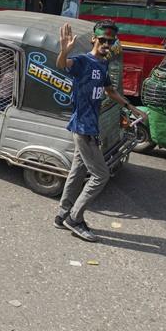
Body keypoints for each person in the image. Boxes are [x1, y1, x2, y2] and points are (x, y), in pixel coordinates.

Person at [54, 21, 145, 242]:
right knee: (101, 175)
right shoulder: (83, 61)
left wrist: (131, 107)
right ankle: (74, 218)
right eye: (102, 40)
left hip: (91, 126)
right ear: (94, 39)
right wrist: (65, 50)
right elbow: (62, 64)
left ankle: (62, 214)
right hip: (83, 128)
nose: (106, 44)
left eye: (110, 41)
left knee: (77, 171)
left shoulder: (103, 63)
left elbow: (110, 90)